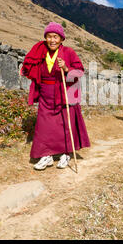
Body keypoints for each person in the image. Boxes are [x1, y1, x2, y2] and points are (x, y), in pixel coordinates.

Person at [21, 22, 90, 170]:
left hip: (63, 91)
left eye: (55, 37)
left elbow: (79, 72)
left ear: (61, 39)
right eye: (49, 37)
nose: (52, 40)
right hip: (46, 92)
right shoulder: (40, 52)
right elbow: (30, 67)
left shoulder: (69, 52)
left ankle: (65, 154)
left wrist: (66, 67)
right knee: (44, 125)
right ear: (45, 38)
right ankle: (46, 155)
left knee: (65, 123)